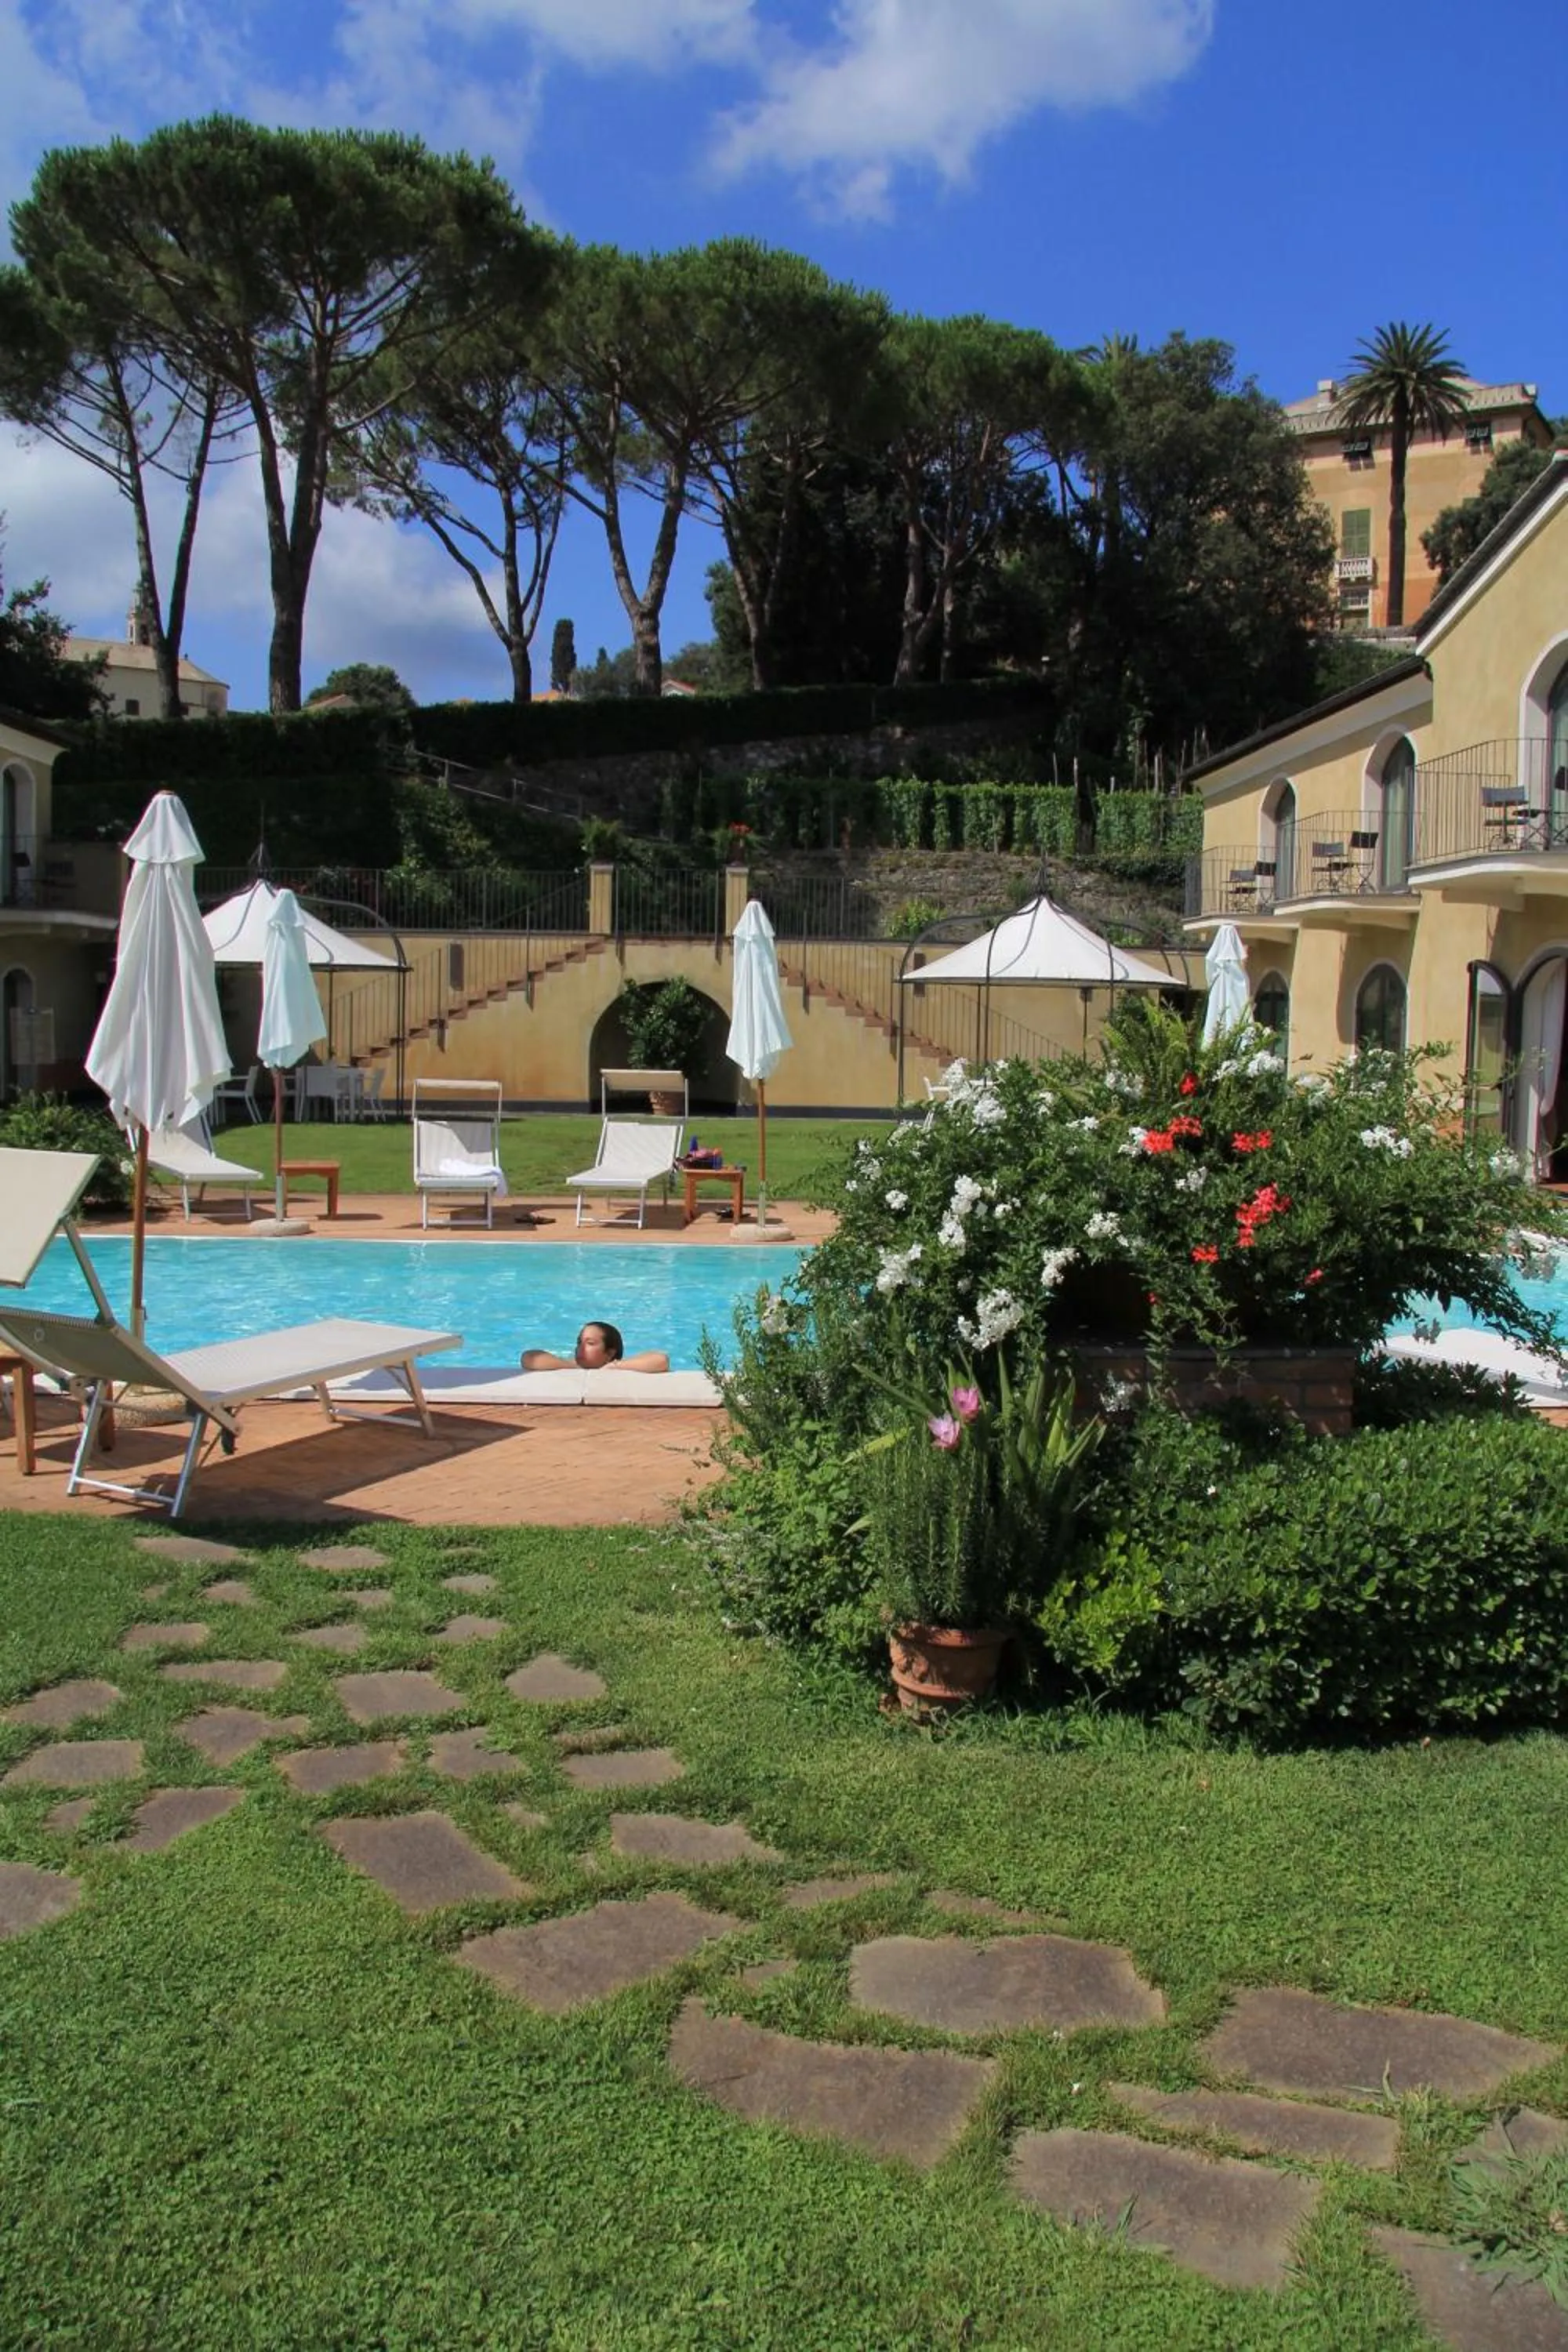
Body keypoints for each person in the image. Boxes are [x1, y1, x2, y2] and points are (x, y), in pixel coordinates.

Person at [519, 1319, 669, 1374]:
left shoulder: (619, 1367)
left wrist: (615, 1366)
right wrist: (569, 1365)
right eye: (579, 1342)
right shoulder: (572, 1364)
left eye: (590, 1343)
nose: (581, 1348)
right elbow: (529, 1358)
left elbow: (661, 1360)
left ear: (609, 1353)